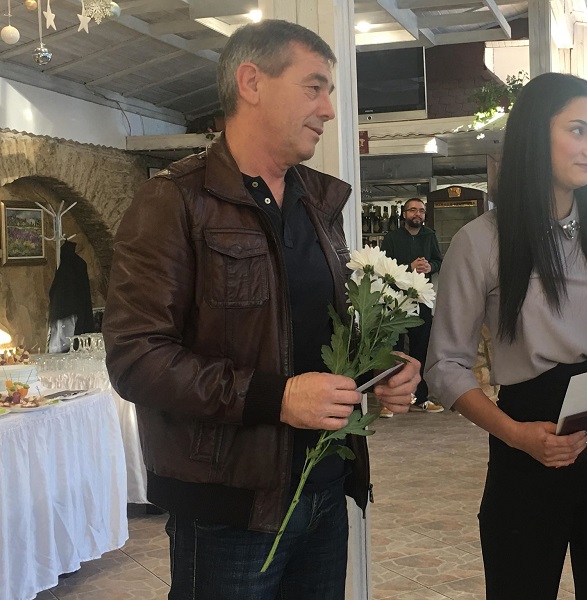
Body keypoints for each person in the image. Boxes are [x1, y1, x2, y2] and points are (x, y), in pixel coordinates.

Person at [102, 20, 420, 600]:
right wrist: (278, 398)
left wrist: (378, 371)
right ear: (251, 82)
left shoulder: (318, 203)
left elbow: (311, 333)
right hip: (229, 509)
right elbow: (136, 358)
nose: (329, 109)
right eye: (314, 87)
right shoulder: (174, 200)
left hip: (324, 487)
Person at [425, 73, 587, 600]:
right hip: (528, 441)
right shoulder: (482, 242)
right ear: (533, 134)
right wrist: (516, 435)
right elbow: (444, 366)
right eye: (578, 130)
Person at [380, 198, 444, 416]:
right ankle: (389, 402)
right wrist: (409, 267)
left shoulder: (430, 235)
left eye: (421, 211)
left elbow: (438, 261)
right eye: (413, 210)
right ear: (404, 214)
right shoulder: (392, 238)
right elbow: (384, 268)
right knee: (395, 352)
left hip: (422, 300)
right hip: (396, 302)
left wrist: (429, 266)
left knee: (421, 351)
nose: (418, 214)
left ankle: (422, 398)